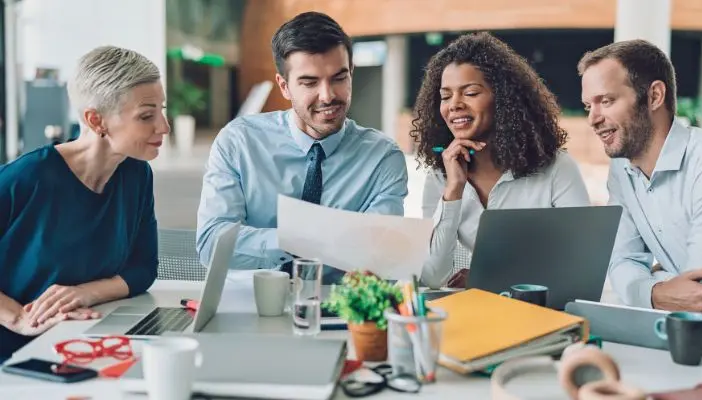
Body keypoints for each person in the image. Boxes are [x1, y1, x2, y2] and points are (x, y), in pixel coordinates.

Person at [196, 12, 408, 283]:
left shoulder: (382, 158)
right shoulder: (239, 143)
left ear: (351, 74)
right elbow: (211, 243)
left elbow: (381, 257)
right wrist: (303, 237)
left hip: (341, 309)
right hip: (254, 303)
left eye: (339, 78)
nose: (328, 95)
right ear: (284, 86)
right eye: (310, 83)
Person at [0, 46, 167, 362]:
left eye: (162, 110)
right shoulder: (26, 178)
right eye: (147, 115)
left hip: (77, 342)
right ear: (95, 119)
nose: (163, 127)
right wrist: (18, 317)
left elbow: (143, 268)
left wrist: (84, 292)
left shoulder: (136, 174)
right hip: (14, 354)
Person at [413, 32, 590, 289]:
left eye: (470, 93)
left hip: (540, 314)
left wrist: (490, 280)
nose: (454, 105)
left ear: (504, 99)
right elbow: (432, 277)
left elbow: (582, 264)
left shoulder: (556, 169)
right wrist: (453, 191)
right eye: (445, 96)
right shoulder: (441, 177)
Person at [579, 40, 702, 316]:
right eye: (587, 106)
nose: (593, 119)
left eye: (606, 101)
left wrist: (649, 281)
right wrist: (657, 291)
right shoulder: (621, 171)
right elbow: (621, 261)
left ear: (655, 96)